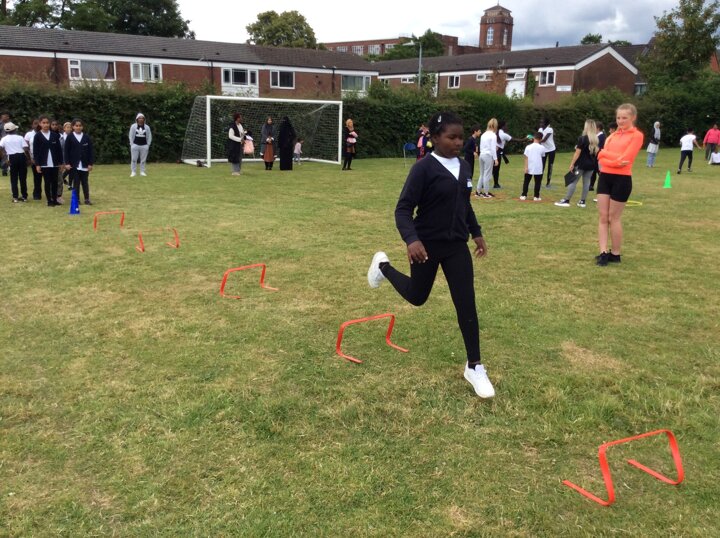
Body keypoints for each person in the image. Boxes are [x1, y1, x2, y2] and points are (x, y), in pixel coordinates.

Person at [366, 111, 495, 399]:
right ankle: (383, 266)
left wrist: (476, 232)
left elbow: (465, 205)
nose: (458, 142)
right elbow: (403, 209)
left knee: (466, 303)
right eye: (451, 137)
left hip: (456, 246)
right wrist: (412, 240)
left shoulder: (464, 166)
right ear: (435, 138)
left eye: (461, 137)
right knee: (417, 296)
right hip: (425, 245)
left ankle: (474, 366)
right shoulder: (423, 168)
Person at [595, 103, 644, 266]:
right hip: (605, 177)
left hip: (622, 179)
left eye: (624, 118)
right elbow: (600, 155)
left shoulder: (636, 136)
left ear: (633, 118)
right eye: (618, 118)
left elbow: (626, 159)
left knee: (613, 217)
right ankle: (603, 252)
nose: (621, 121)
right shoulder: (612, 136)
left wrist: (608, 157)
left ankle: (615, 253)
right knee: (603, 216)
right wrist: (614, 159)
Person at [555, 119, 599, 208]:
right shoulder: (596, 139)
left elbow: (577, 153)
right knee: (586, 183)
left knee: (573, 181)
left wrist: (572, 163)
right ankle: (582, 201)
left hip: (580, 164)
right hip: (591, 164)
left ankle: (567, 200)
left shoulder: (582, 138)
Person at [33, 115, 64, 207]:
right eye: (44, 123)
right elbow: (36, 151)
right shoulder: (37, 136)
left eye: (47, 123)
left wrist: (61, 162)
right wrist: (37, 164)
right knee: (47, 182)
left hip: (54, 163)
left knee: (55, 182)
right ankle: (49, 200)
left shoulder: (55, 135)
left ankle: (54, 199)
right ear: (40, 124)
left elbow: (59, 150)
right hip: (44, 164)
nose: (46, 124)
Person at [63, 118, 95, 205]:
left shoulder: (86, 137)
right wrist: (67, 163)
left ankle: (87, 199)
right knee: (76, 183)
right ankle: (77, 199)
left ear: (82, 127)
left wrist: (90, 163)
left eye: (80, 125)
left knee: (85, 182)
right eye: (76, 126)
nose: (78, 127)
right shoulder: (70, 137)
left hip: (84, 164)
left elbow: (90, 151)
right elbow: (66, 151)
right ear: (73, 127)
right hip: (74, 165)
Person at [0, 121, 31, 202]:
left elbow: (0, 148)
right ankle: (24, 197)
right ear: (14, 130)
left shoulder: (4, 139)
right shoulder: (20, 137)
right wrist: (28, 159)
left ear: (6, 131)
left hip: (11, 157)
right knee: (22, 178)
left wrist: (5, 159)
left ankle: (15, 197)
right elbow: (26, 149)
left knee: (13, 178)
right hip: (21, 156)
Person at [475, 118, 498, 199]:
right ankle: (486, 193)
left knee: (482, 174)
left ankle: (478, 191)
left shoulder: (484, 134)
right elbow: (493, 148)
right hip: (488, 155)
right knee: (487, 175)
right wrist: (495, 159)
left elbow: (481, 146)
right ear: (495, 126)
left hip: (482, 155)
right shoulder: (493, 135)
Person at [492, 120, 518, 189]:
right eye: (506, 126)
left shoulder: (495, 132)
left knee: (491, 169)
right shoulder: (503, 134)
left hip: (492, 152)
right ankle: (496, 184)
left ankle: (484, 182)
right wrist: (525, 139)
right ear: (503, 127)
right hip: (497, 153)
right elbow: (514, 140)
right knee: (496, 170)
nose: (507, 127)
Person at [520, 132, 545, 201]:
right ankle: (536, 196)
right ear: (541, 139)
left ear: (534, 138)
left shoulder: (528, 147)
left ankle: (523, 195)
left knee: (526, 181)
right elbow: (542, 156)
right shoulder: (542, 147)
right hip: (538, 167)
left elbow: (526, 158)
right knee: (538, 182)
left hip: (529, 166)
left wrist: (526, 167)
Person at [24, 118, 42, 200]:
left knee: (48, 177)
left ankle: (51, 193)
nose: (37, 125)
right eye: (35, 123)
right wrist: (29, 158)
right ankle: (37, 194)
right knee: (37, 177)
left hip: (45, 158)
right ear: (32, 125)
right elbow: (26, 147)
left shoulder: (45, 133)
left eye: (38, 123)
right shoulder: (29, 134)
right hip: (34, 158)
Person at [129, 113, 152, 177]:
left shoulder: (147, 127)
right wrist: (132, 144)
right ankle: (133, 172)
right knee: (134, 159)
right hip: (135, 145)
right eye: (139, 118)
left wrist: (148, 144)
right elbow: (130, 135)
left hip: (144, 145)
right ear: (137, 119)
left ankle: (142, 172)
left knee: (143, 160)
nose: (141, 119)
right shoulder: (133, 126)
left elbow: (149, 136)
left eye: (142, 118)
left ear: (144, 119)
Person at [539, 117, 556, 188]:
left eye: (542, 122)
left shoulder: (550, 129)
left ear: (546, 123)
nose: (540, 124)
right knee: (542, 166)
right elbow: (539, 138)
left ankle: (548, 182)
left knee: (550, 166)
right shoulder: (540, 129)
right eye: (540, 122)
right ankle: (539, 182)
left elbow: (544, 140)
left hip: (551, 149)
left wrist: (535, 140)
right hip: (544, 150)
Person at [589, 121, 605, 191]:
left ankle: (603, 186)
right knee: (593, 172)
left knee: (600, 172)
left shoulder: (602, 137)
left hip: (599, 157)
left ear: (598, 128)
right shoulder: (597, 136)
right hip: (594, 157)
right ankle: (591, 185)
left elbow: (599, 148)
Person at [0, 112, 10, 177]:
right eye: (5, 116)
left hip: (7, 143)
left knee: (5, 156)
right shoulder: (0, 124)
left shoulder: (10, 124)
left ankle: (4, 171)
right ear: (2, 117)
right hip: (1, 142)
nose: (6, 118)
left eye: (7, 116)